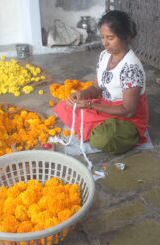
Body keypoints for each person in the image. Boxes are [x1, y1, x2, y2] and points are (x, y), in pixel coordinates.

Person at [54, 10, 149, 154]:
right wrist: (83, 94)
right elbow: (98, 87)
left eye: (110, 38)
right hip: (106, 106)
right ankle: (93, 125)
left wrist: (92, 105)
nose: (105, 43)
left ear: (125, 37)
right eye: (102, 37)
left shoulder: (131, 68)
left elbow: (128, 111)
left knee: (102, 138)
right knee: (66, 105)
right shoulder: (105, 56)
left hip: (127, 118)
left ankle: (106, 130)